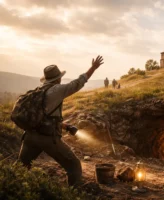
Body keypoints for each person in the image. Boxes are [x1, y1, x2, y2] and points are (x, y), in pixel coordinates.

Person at [18, 55, 104, 186]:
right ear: (58, 78)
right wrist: (93, 68)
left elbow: (42, 117)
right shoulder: (57, 90)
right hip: (47, 138)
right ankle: (72, 194)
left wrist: (65, 126)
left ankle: (13, 190)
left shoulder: (38, 91)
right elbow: (78, 83)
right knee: (74, 166)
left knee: (20, 168)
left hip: (29, 136)